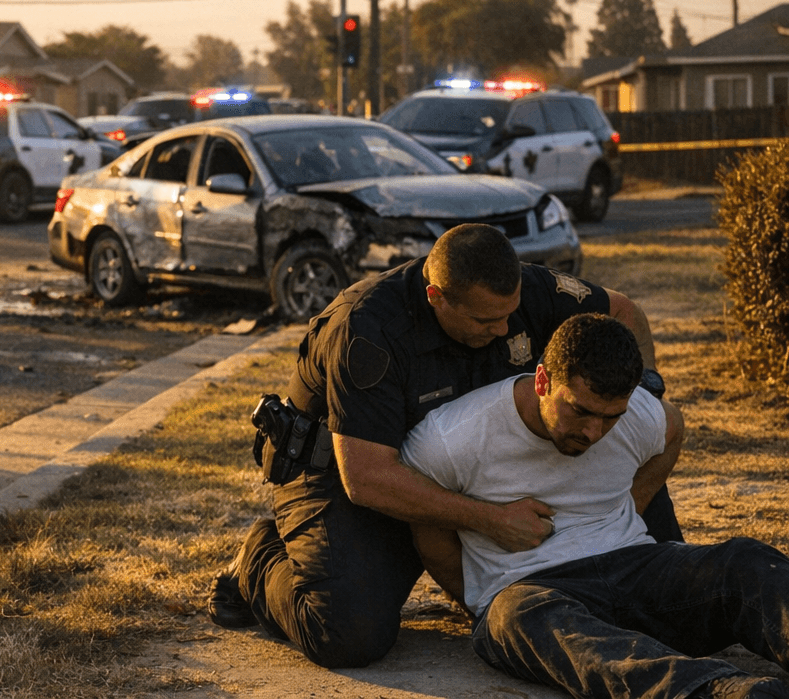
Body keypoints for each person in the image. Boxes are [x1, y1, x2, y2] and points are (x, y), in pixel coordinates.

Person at [210, 222, 682, 668]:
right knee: (348, 631)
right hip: (349, 471)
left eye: (510, 314)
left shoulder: (522, 291)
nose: (504, 329)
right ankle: (259, 558)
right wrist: (490, 520)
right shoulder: (367, 329)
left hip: (459, 462)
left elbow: (622, 312)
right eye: (486, 320)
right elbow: (366, 478)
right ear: (436, 297)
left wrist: (641, 396)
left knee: (668, 598)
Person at [400, 313, 789, 699]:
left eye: (610, 417)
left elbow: (672, 427)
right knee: (515, 617)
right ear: (542, 381)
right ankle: (722, 693)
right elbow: (426, 521)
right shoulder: (453, 436)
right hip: (534, 591)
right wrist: (479, 597)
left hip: (633, 566)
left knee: (744, 561)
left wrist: (629, 511)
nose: (593, 432)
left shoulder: (635, 413)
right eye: (580, 411)